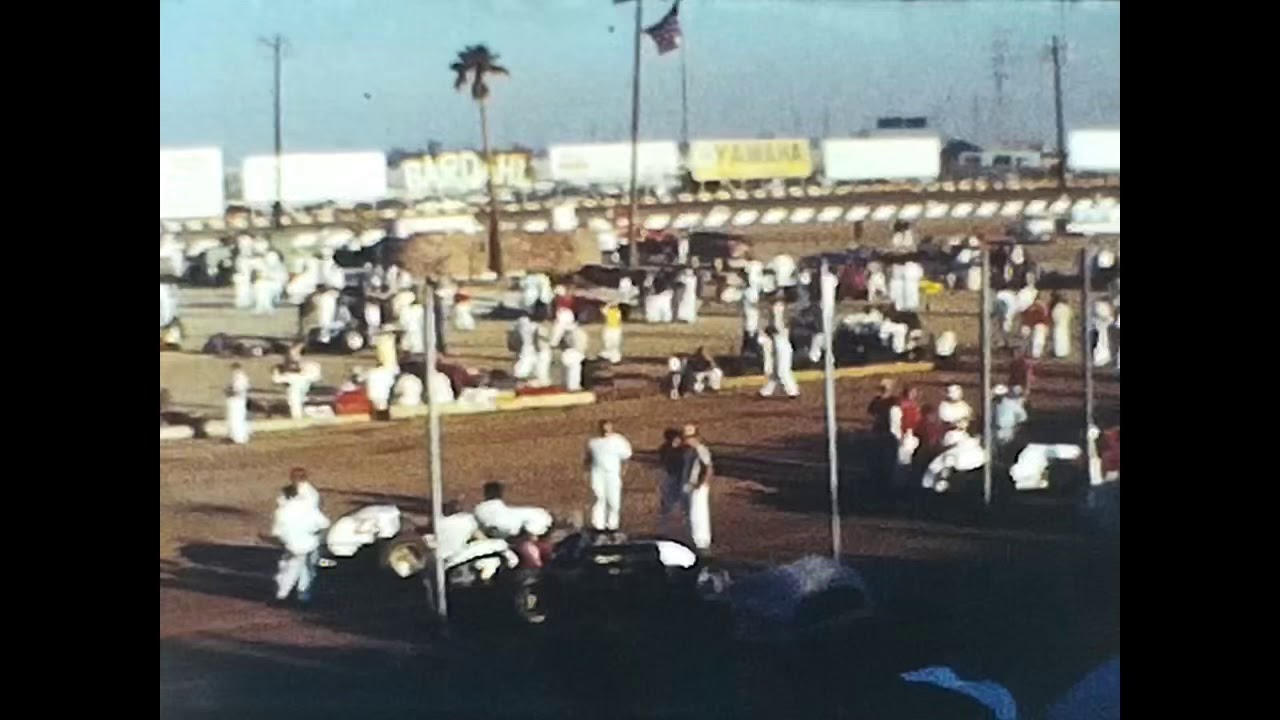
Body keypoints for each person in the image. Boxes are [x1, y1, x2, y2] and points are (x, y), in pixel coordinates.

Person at [271, 482, 331, 604]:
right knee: (307, 570)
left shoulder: (281, 512)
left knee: (288, 568)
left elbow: (277, 532)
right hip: (309, 544)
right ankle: (302, 594)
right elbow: (324, 523)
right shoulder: (308, 508)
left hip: (292, 546)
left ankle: (282, 594)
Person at [584, 420, 632, 532]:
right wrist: (586, 471)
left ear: (611, 427)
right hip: (597, 473)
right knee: (599, 497)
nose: (605, 431)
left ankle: (612, 525)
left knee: (613, 500)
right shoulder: (593, 442)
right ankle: (598, 525)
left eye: (607, 428)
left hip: (612, 473)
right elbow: (588, 458)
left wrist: (623, 472)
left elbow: (626, 458)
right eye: (603, 428)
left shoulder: (618, 441)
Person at [473, 481, 554, 540]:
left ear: (485, 493)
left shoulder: (479, 508)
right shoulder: (485, 508)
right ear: (500, 493)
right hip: (513, 535)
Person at [680, 425, 715, 550]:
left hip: (697, 487)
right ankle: (694, 540)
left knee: (698, 514)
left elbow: (709, 467)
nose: (688, 440)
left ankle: (702, 542)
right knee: (691, 514)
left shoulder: (701, 449)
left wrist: (702, 483)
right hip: (690, 486)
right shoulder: (688, 451)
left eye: (691, 437)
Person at [656, 429, 687, 536]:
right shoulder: (666, 449)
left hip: (681, 475)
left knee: (679, 495)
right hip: (672, 474)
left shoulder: (684, 450)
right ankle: (668, 514)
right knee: (668, 494)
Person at [759, 325, 800, 398]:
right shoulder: (776, 340)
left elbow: (774, 354)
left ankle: (793, 391)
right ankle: (766, 391)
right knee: (774, 375)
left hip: (784, 356)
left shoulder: (780, 341)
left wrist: (769, 365)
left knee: (783, 372)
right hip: (783, 355)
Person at [225, 363, 252, 444]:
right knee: (236, 419)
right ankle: (236, 436)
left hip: (237, 401)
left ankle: (238, 437)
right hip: (238, 400)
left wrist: (228, 391)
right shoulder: (240, 377)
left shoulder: (240, 378)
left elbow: (238, 390)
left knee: (236, 419)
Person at [1022, 293, 1051, 360]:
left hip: (1029, 324)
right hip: (1040, 324)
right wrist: (1047, 325)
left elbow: (1025, 315)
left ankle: (1027, 353)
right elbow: (1046, 317)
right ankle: (1036, 355)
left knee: (1028, 340)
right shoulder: (1043, 306)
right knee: (1039, 340)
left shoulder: (1031, 306)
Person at [1050, 292, 1073, 359]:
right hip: (1065, 325)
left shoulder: (1057, 307)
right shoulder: (1066, 307)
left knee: (1058, 339)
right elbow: (1070, 315)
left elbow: (1053, 316)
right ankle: (1064, 352)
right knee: (1064, 339)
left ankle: (1058, 353)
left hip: (1058, 325)